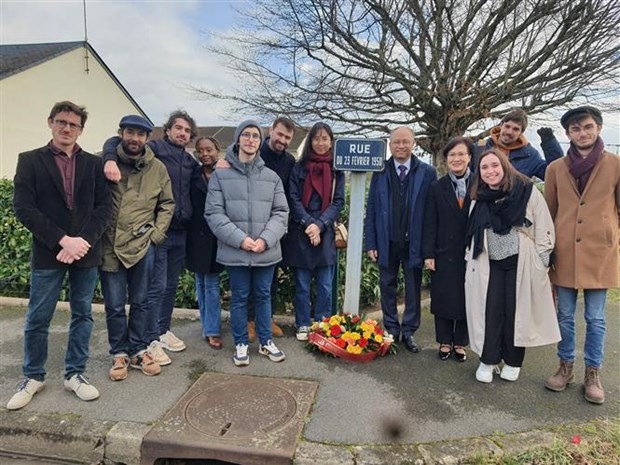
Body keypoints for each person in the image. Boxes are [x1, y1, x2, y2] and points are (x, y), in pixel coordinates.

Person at [8, 101, 111, 410]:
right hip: (48, 251)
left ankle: (75, 374)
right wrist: (62, 241)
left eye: (74, 125)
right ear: (50, 122)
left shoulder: (93, 165)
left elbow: (104, 208)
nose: (67, 128)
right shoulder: (29, 161)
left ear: (81, 129)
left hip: (85, 252)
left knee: (83, 315)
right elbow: (24, 208)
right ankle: (33, 376)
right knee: (38, 317)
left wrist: (82, 242)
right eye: (62, 122)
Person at [102, 110, 201, 365]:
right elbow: (116, 143)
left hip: (179, 232)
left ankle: (162, 330)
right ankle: (149, 339)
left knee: (168, 287)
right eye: (178, 127)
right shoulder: (153, 149)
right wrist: (109, 157)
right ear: (166, 130)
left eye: (187, 130)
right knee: (152, 290)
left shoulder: (189, 162)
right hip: (154, 235)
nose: (182, 133)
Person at [543, 106, 619, 404]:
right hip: (564, 253)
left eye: (587, 127)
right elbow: (549, 212)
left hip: (600, 253)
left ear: (598, 128)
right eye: (576, 129)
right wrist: (547, 249)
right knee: (564, 315)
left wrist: (613, 239)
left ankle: (593, 373)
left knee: (596, 317)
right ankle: (565, 367)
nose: (582, 133)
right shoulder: (555, 169)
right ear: (567, 134)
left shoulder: (615, 165)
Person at [464, 149, 560, 383]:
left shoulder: (526, 190)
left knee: (516, 313)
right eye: (484, 167)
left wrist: (542, 260)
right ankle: (488, 359)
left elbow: (543, 225)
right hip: (490, 263)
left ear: (505, 166)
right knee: (491, 311)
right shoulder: (478, 195)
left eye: (495, 165)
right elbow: (471, 229)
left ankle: (513, 361)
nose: (490, 171)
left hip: (522, 263)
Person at [205, 120, 289, 366]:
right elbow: (214, 214)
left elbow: (281, 212)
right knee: (239, 297)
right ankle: (241, 342)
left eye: (255, 135)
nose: (251, 139)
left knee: (264, 296)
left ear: (259, 142)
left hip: (266, 250)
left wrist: (265, 239)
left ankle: (265, 342)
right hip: (236, 251)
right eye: (246, 135)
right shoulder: (221, 176)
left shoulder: (272, 177)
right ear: (238, 139)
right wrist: (241, 240)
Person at [100, 115, 175, 381]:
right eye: (130, 132)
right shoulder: (105, 161)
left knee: (142, 301)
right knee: (115, 304)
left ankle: (139, 348)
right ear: (121, 133)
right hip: (110, 245)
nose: (135, 139)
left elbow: (167, 204)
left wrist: (156, 234)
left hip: (144, 245)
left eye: (141, 134)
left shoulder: (158, 168)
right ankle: (119, 352)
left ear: (148, 138)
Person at [364, 126, 437, 352]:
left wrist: (429, 248)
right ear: (390, 144)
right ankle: (392, 329)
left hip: (414, 242)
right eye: (396, 142)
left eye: (405, 141)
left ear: (413, 143)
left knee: (413, 287)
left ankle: (409, 331)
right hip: (387, 241)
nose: (401, 146)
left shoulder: (427, 172)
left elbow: (431, 214)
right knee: (387, 285)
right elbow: (372, 208)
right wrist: (371, 242)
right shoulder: (380, 170)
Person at [284, 122, 345, 341]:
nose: (320, 143)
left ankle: (322, 322)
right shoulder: (299, 167)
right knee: (301, 284)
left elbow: (338, 202)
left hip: (325, 231)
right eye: (316, 138)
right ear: (310, 141)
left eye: (325, 138)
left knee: (325, 285)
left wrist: (319, 225)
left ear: (331, 141)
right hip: (301, 230)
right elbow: (293, 198)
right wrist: (309, 224)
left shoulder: (337, 169)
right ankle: (302, 323)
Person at [423, 137, 473, 362]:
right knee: (443, 296)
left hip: (472, 252)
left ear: (469, 157)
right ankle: (444, 340)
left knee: (466, 297)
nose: (456, 159)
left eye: (461, 154)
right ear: (446, 159)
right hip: (443, 251)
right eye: (452, 155)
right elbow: (429, 222)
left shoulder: (480, 184)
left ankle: (461, 342)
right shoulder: (437, 187)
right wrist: (429, 253)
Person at [246, 117, 297, 342]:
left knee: (271, 277)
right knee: (248, 276)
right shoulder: (255, 153)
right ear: (271, 131)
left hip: (275, 228)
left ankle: (265, 319)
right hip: (249, 223)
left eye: (287, 138)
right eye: (280, 135)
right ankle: (249, 321)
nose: (283, 140)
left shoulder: (289, 162)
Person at [186, 136, 225, 350]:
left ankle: (212, 330)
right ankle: (207, 325)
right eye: (200, 151)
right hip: (196, 236)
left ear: (217, 150)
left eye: (209, 149)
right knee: (200, 283)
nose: (205, 154)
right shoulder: (192, 174)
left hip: (217, 236)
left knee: (211, 284)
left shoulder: (226, 174)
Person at [479, 108, 562, 180]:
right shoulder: (481, 148)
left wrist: (550, 144)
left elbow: (553, 176)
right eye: (507, 126)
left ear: (521, 132)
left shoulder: (530, 155)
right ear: (501, 125)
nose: (509, 132)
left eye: (515, 129)